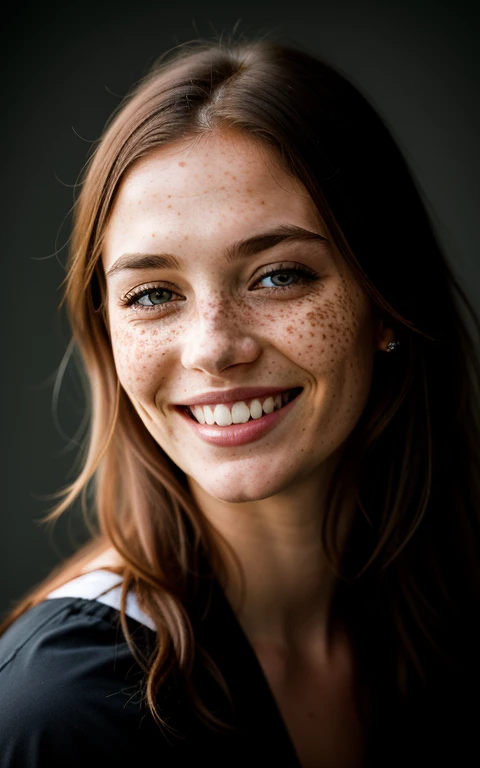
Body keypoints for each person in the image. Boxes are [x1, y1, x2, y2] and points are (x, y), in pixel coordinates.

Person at [1, 34, 479, 768]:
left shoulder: (450, 617)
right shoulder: (66, 714)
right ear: (108, 335)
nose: (214, 349)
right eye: (154, 294)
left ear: (387, 301)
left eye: (278, 275)